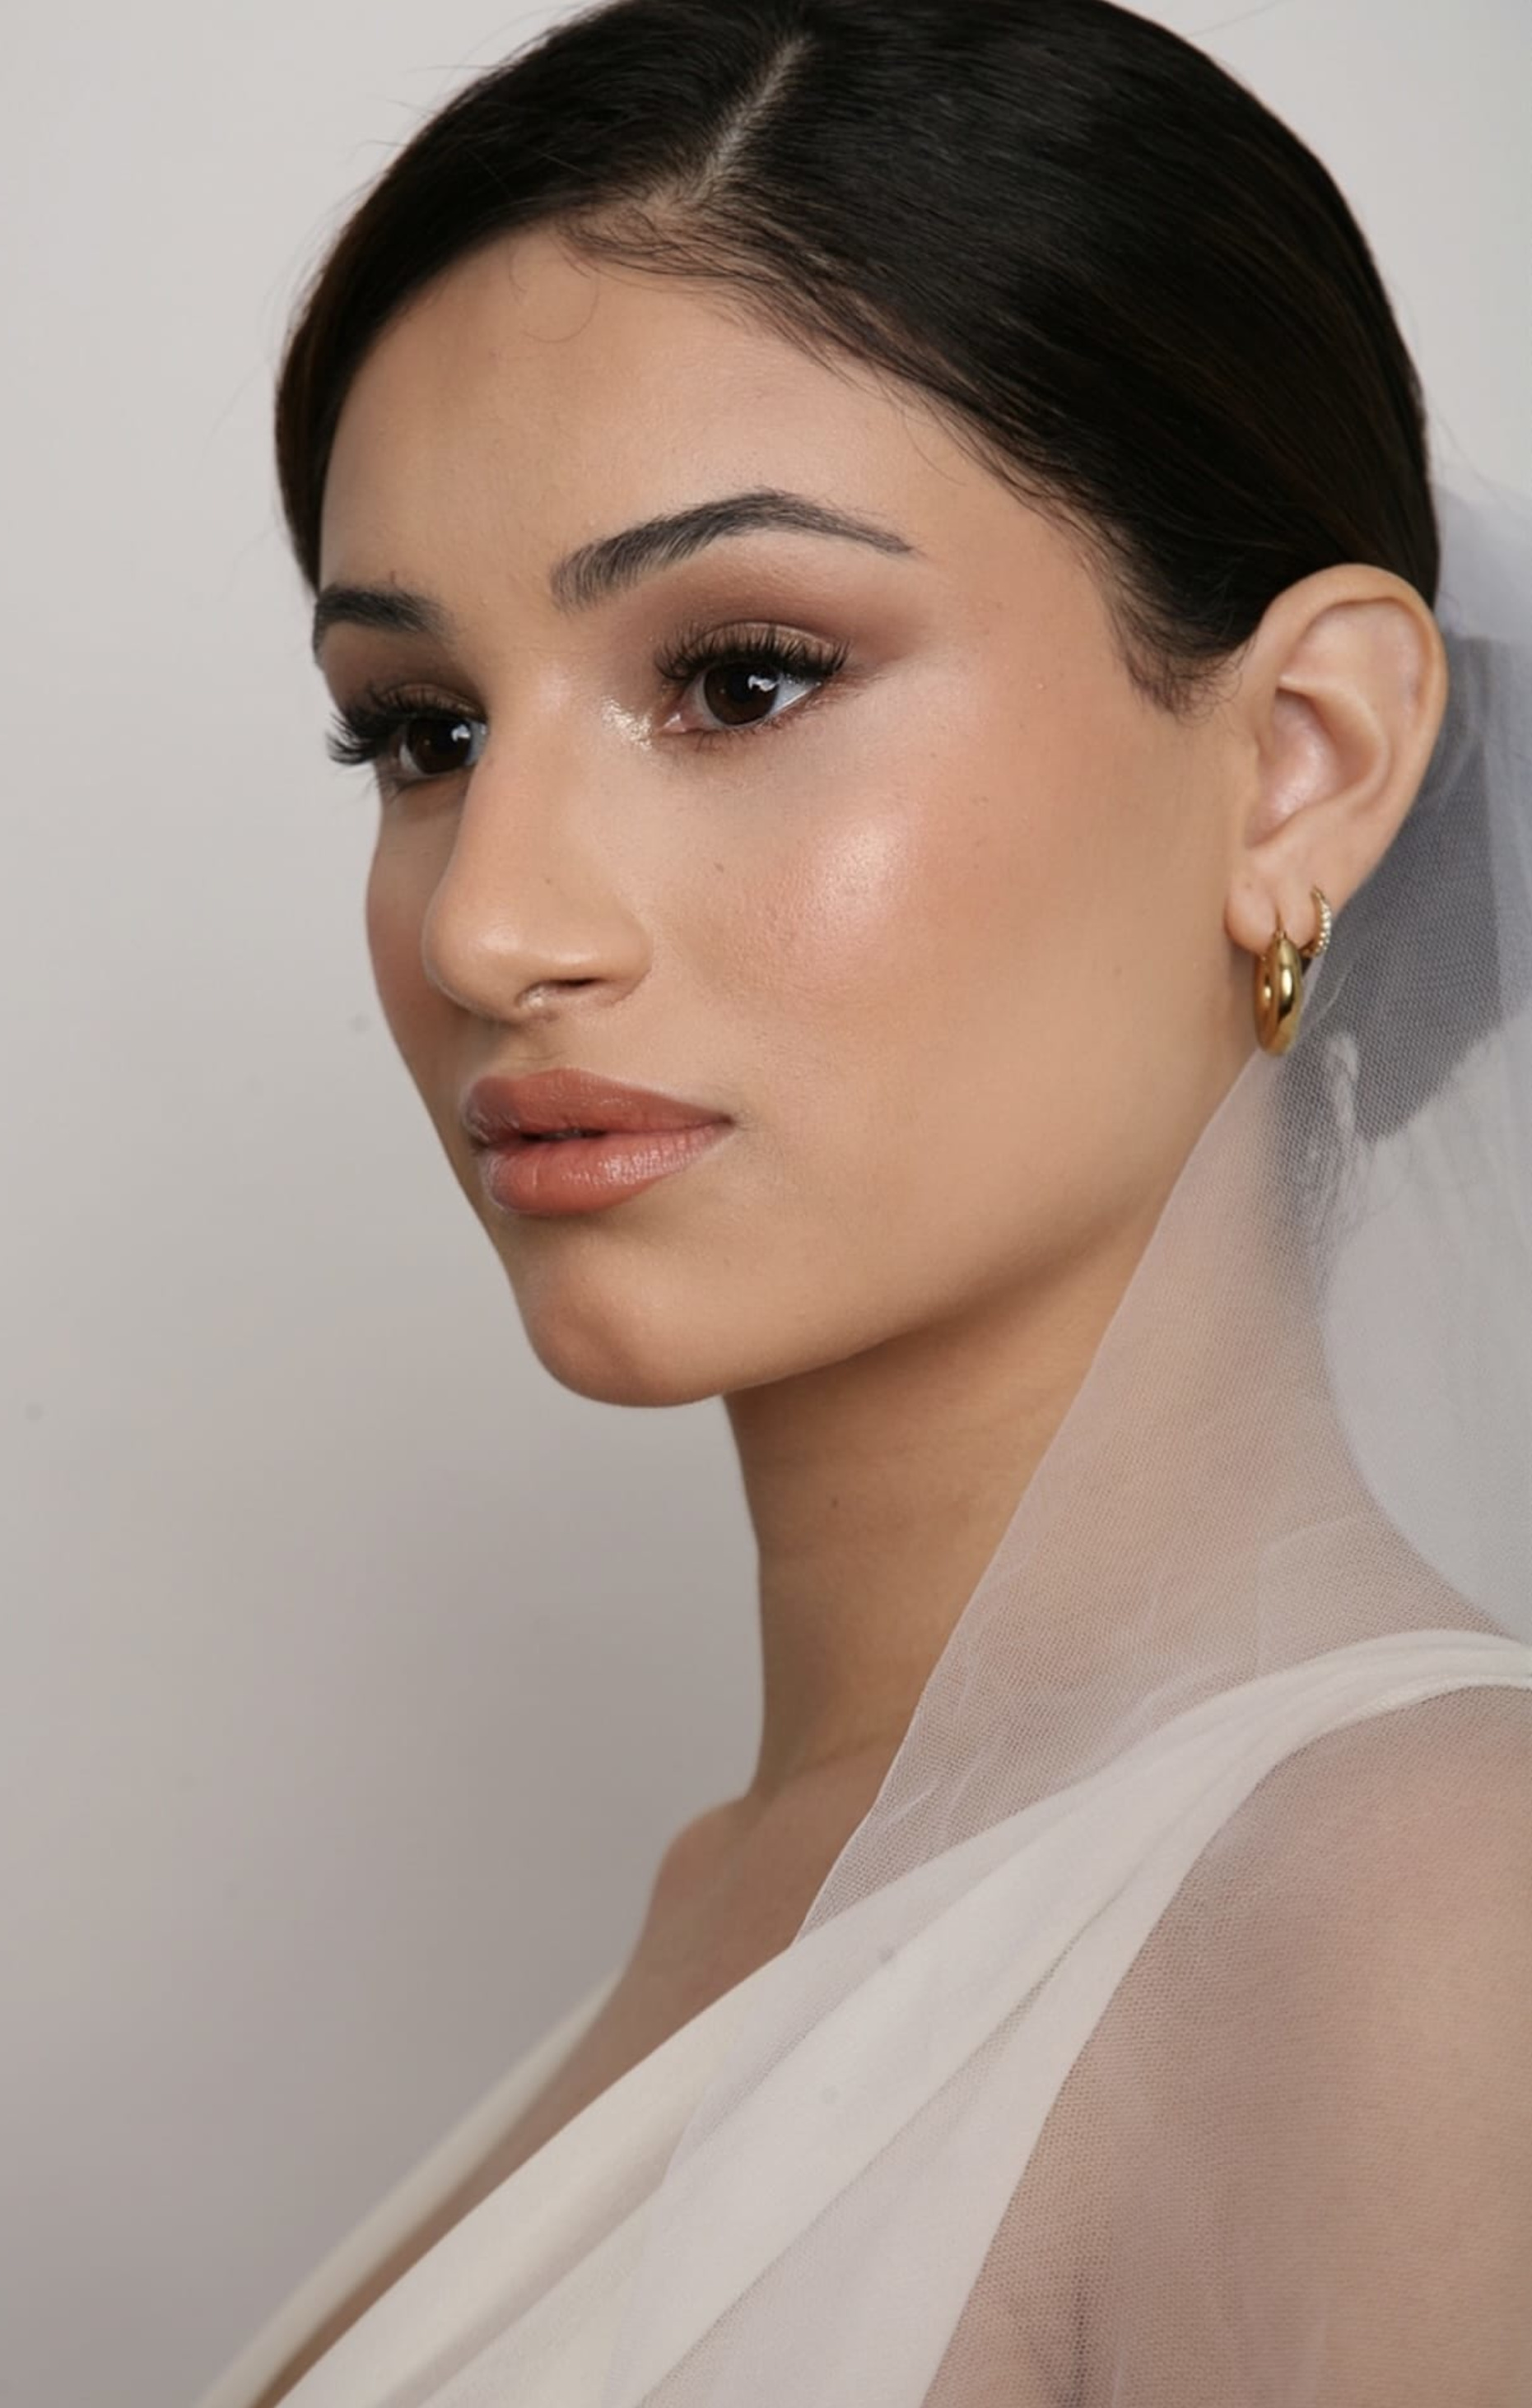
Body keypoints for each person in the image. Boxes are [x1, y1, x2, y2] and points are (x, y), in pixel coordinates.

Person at [193, 2, 1532, 2401]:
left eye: (745, 676)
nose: (495, 924)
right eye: (421, 730)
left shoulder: (1434, 1929)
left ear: (1303, 762)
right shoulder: (727, 1894)